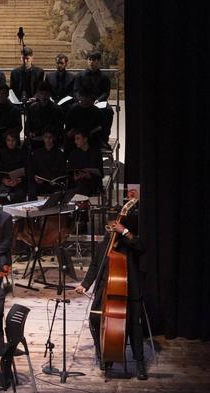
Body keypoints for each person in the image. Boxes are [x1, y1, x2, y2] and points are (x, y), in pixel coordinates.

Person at [75, 208, 147, 379]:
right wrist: (85, 285)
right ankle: (103, 355)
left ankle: (139, 362)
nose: (111, 230)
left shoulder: (129, 243)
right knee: (94, 318)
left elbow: (142, 247)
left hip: (129, 292)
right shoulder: (103, 245)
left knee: (133, 326)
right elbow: (94, 266)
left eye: (114, 226)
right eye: (109, 227)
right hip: (105, 291)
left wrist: (125, 232)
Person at [0, 130, 29, 203]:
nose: (11, 143)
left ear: (16, 141)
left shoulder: (22, 153)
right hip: (4, 182)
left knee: (20, 194)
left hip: (19, 182)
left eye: (13, 140)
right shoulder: (0, 154)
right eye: (8, 140)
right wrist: (3, 180)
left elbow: (27, 170)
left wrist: (20, 180)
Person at [30, 131, 67, 197]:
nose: (48, 139)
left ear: (53, 138)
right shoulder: (37, 153)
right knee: (32, 188)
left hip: (55, 182)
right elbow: (32, 169)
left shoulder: (60, 154)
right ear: (43, 138)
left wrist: (56, 180)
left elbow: (63, 171)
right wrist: (35, 177)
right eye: (46, 137)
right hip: (40, 182)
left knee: (59, 190)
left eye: (50, 137)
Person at [67, 130, 103, 196]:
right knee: (79, 186)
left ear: (85, 139)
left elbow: (100, 172)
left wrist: (88, 174)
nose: (75, 141)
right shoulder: (73, 154)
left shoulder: (96, 152)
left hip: (93, 182)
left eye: (78, 139)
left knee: (85, 186)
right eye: (75, 139)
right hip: (78, 183)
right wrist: (76, 176)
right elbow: (70, 172)